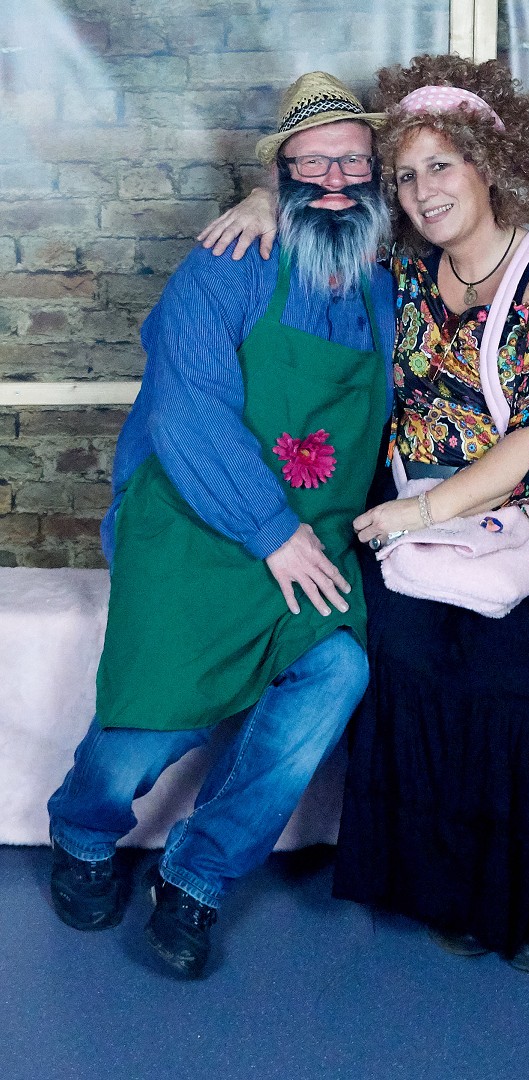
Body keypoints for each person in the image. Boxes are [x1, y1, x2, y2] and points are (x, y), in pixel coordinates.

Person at [201, 54, 529, 974]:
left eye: (440, 165)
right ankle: (447, 888)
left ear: (489, 165)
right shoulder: (399, 274)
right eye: (402, 174)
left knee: (521, 684)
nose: (421, 189)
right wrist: (264, 198)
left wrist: (419, 510)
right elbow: (320, 208)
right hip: (422, 524)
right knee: (403, 658)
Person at [47, 72, 395, 980]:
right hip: (195, 519)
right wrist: (269, 529)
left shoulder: (382, 291)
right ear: (280, 173)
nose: (334, 179)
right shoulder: (226, 263)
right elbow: (186, 411)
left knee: (336, 670)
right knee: (151, 723)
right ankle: (82, 830)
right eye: (313, 162)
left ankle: (197, 875)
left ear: (375, 175)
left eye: (352, 161)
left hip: (313, 533)